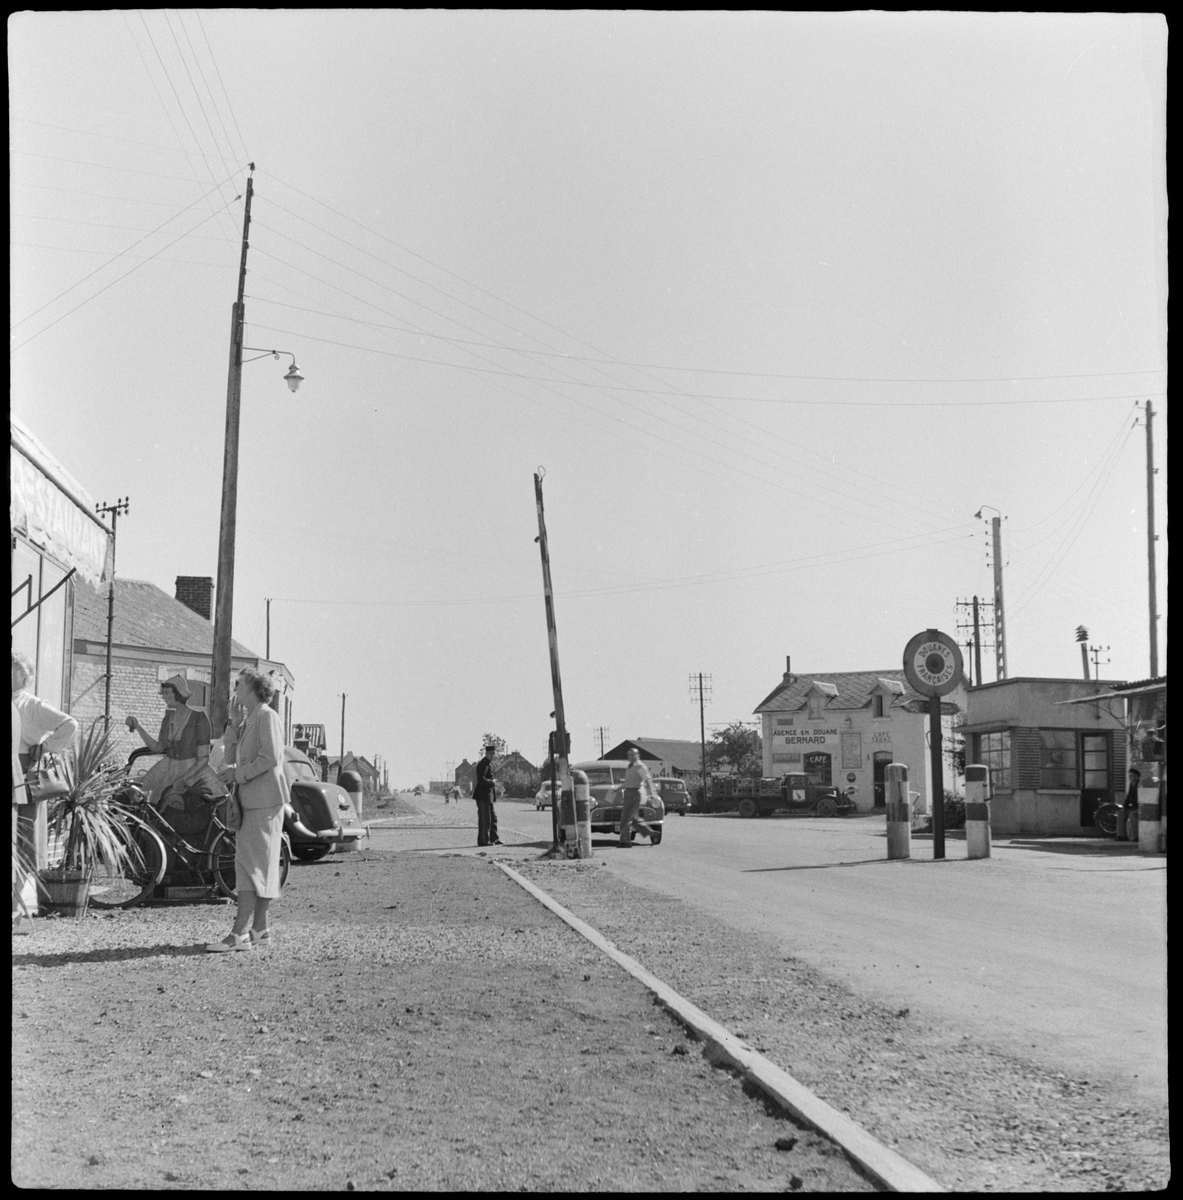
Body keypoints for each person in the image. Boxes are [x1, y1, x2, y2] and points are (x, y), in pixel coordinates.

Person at [207, 669, 287, 952]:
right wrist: (233, 724)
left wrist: (238, 775)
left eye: (239, 684)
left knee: (253, 866)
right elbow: (229, 761)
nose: (235, 688)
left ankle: (239, 933)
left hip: (264, 801)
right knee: (253, 865)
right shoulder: (251, 719)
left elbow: (270, 758)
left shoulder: (267, 716)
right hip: (250, 801)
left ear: (252, 687)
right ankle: (260, 929)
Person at [126, 675, 212, 809]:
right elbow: (158, 748)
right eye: (163, 693)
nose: (163, 697)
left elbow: (204, 758)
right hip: (167, 767)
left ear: (178, 693)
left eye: (166, 693)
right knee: (145, 800)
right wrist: (138, 727)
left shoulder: (198, 718)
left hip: (192, 770)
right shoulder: (167, 720)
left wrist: (184, 778)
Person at [12, 650, 79, 775]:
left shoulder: (33, 705)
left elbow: (70, 724)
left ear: (23, 675)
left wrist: (43, 748)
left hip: (22, 765)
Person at [618, 747, 656, 848]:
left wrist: (652, 794)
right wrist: (618, 789)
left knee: (626, 818)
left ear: (638, 755)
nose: (630, 757)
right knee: (634, 819)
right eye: (629, 755)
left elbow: (647, 780)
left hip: (634, 793)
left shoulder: (640, 766)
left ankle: (625, 842)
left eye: (633, 755)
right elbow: (628, 782)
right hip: (628, 792)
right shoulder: (630, 766)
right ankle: (652, 833)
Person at [473, 744, 501, 847]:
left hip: (489, 795)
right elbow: (481, 780)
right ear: (486, 753)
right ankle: (483, 841)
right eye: (491, 753)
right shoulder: (483, 764)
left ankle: (494, 838)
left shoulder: (490, 764)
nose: (493, 755)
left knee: (493, 818)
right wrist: (491, 782)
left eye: (494, 753)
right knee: (485, 819)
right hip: (482, 796)